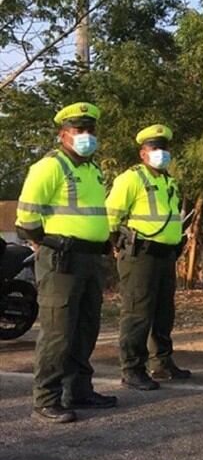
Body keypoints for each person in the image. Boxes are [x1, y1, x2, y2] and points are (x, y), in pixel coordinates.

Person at [16, 102, 117, 423]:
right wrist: (47, 241)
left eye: (90, 130)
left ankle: (78, 390)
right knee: (58, 331)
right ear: (64, 135)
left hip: (89, 259)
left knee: (86, 328)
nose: (86, 135)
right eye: (79, 130)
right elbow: (27, 219)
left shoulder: (92, 169)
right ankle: (46, 399)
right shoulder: (49, 167)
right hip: (61, 260)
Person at [107, 124, 191, 391]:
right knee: (138, 313)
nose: (161, 153)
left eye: (164, 148)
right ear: (143, 153)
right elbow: (111, 216)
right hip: (140, 255)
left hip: (165, 256)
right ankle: (132, 368)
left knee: (164, 312)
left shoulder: (169, 181)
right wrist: (115, 245)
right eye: (155, 149)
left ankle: (162, 363)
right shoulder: (130, 179)